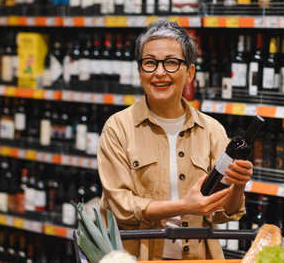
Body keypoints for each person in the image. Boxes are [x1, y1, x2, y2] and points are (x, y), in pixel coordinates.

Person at [97, 19, 253, 260]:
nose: (159, 72)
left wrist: (238, 184)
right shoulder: (118, 128)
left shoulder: (212, 130)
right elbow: (122, 208)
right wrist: (184, 206)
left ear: (189, 72)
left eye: (171, 63)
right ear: (140, 72)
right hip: (137, 257)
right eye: (150, 63)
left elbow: (222, 213)